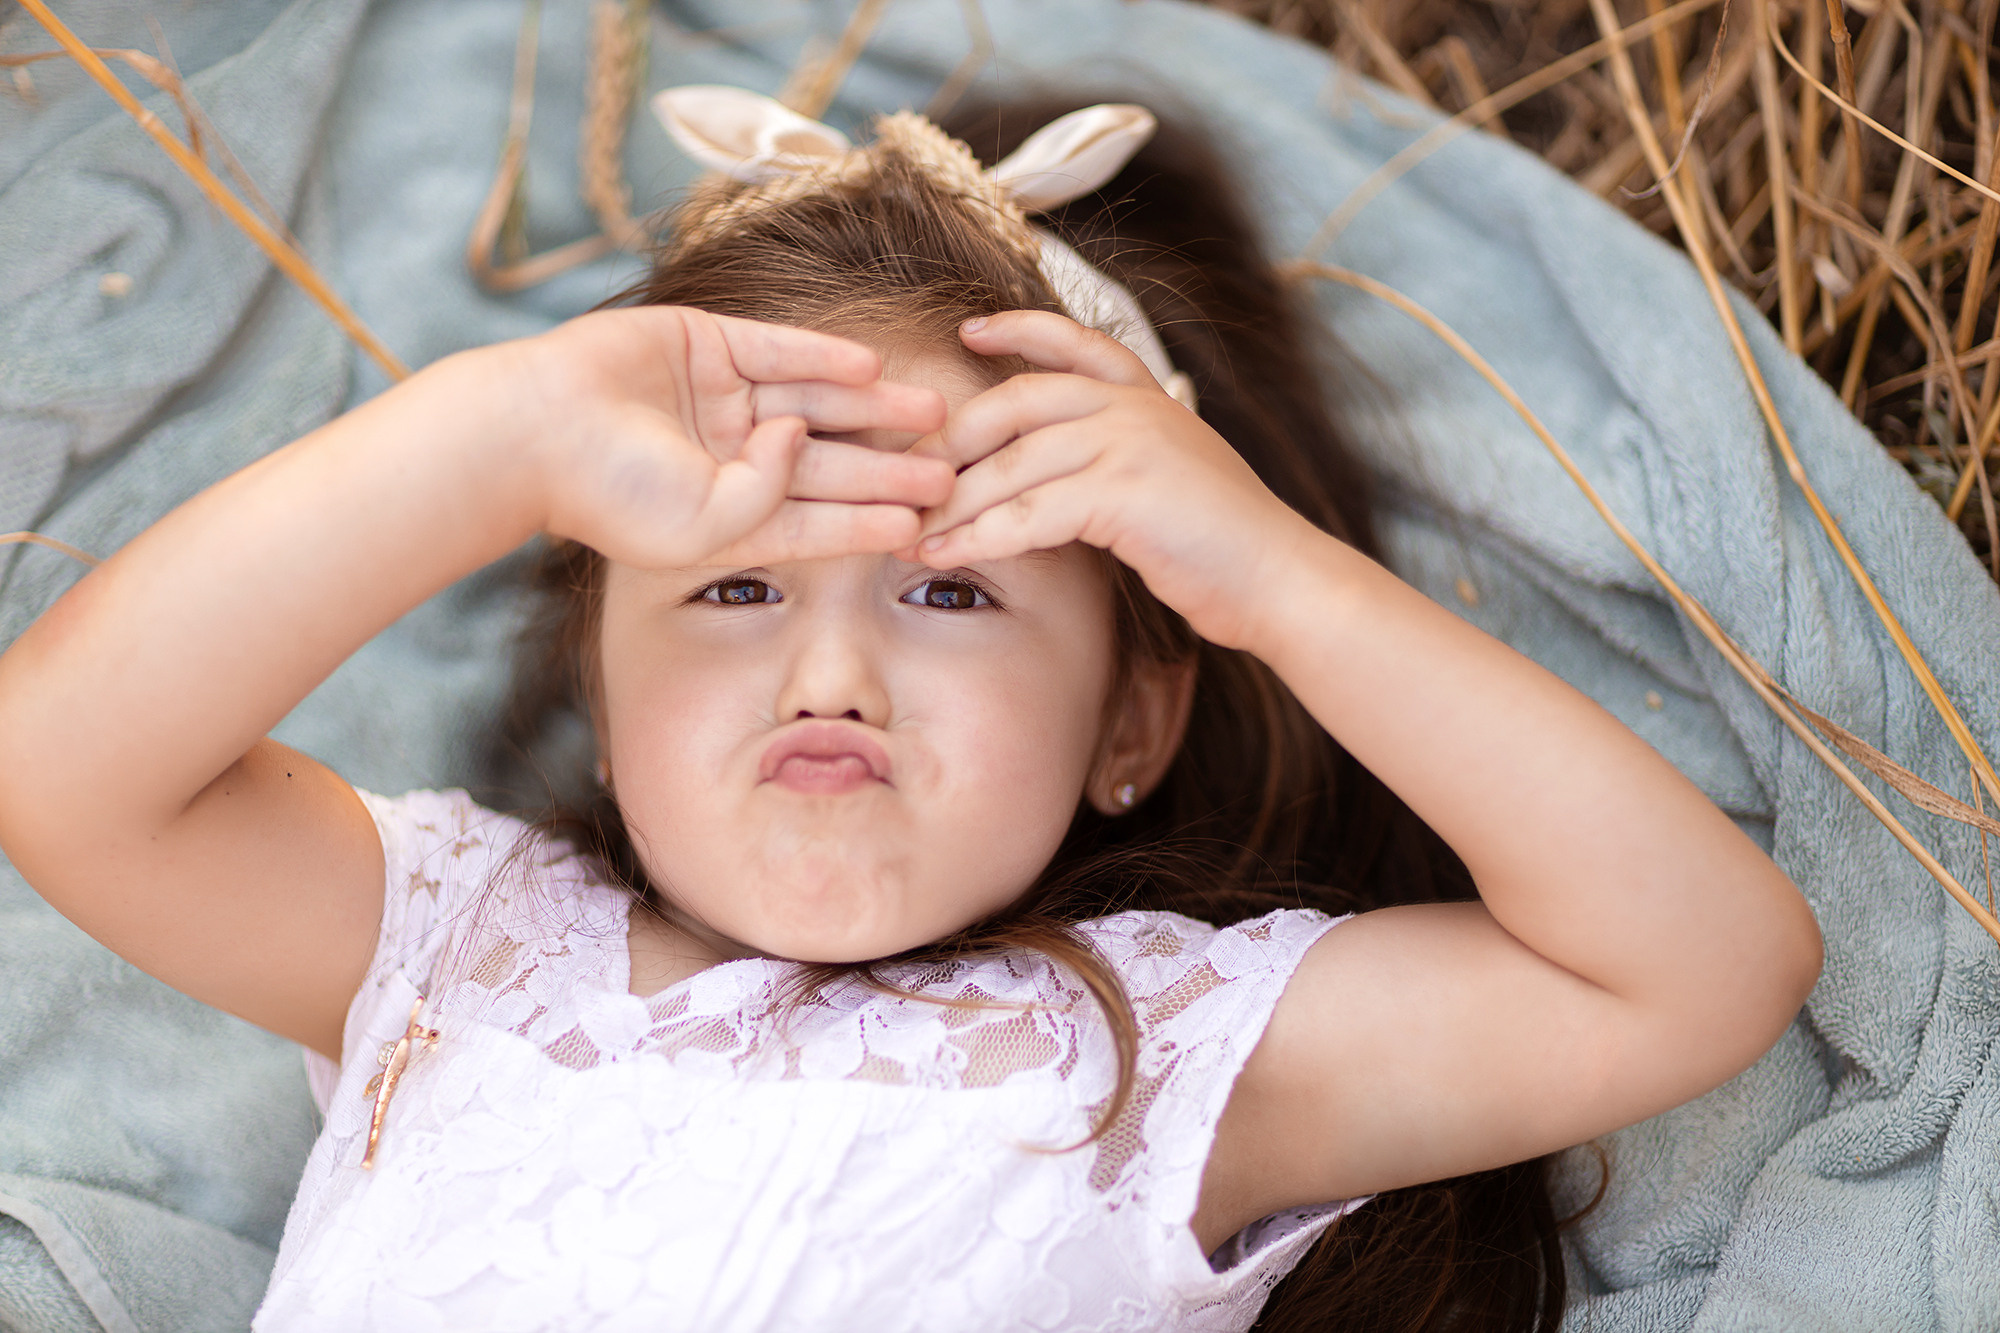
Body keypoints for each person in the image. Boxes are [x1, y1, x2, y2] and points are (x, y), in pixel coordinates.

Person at [0, 87, 1821, 1332]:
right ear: (601, 678)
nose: (832, 664)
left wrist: (1264, 573)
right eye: (732, 586)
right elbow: (65, 766)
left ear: (1135, 720)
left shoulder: (1168, 1057)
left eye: (953, 588)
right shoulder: (464, 943)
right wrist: (498, 436)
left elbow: (1696, 964)